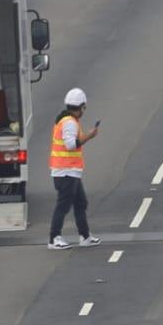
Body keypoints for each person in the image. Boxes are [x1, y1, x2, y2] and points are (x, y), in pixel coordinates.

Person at [48, 87, 101, 250]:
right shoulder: (70, 122)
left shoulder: (66, 120)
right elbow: (71, 145)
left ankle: (85, 236)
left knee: (80, 202)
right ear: (81, 107)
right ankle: (54, 239)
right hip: (66, 172)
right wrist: (89, 136)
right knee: (63, 206)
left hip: (69, 172)